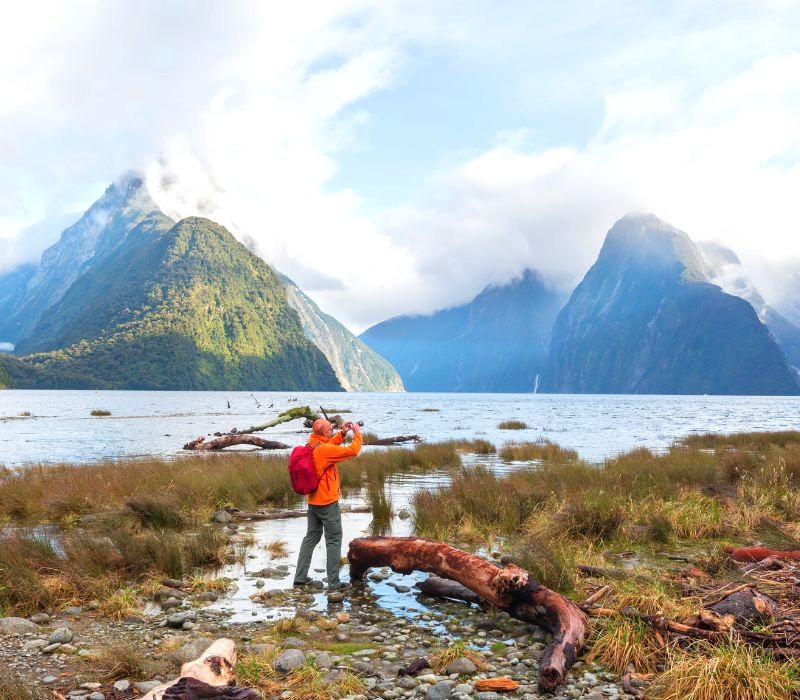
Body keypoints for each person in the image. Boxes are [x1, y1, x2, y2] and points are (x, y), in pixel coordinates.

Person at [293, 417, 362, 590]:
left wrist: (342, 433)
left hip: (313, 501)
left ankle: (300, 578)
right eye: (330, 429)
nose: (332, 430)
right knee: (333, 539)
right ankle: (334, 583)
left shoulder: (312, 445)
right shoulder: (324, 450)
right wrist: (357, 434)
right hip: (327, 503)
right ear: (324, 432)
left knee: (311, 537)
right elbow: (353, 451)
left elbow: (329, 445)